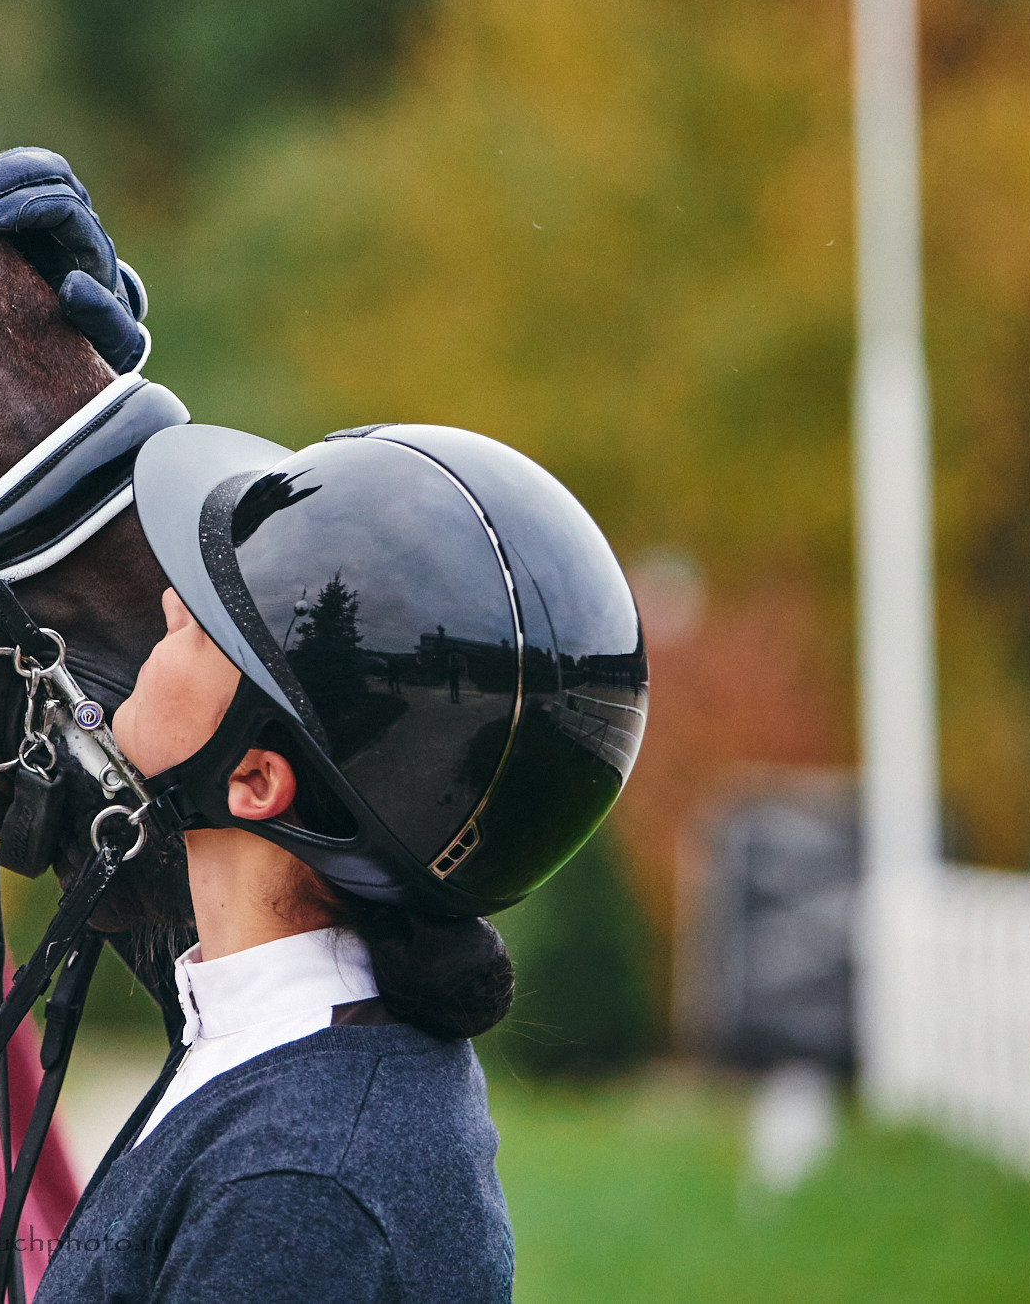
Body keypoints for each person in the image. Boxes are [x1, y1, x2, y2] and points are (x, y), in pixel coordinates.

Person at [33, 422, 650, 1304]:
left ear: (255, 778)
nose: (169, 604)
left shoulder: (299, 1193)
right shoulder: (275, 1061)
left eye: (207, 627)